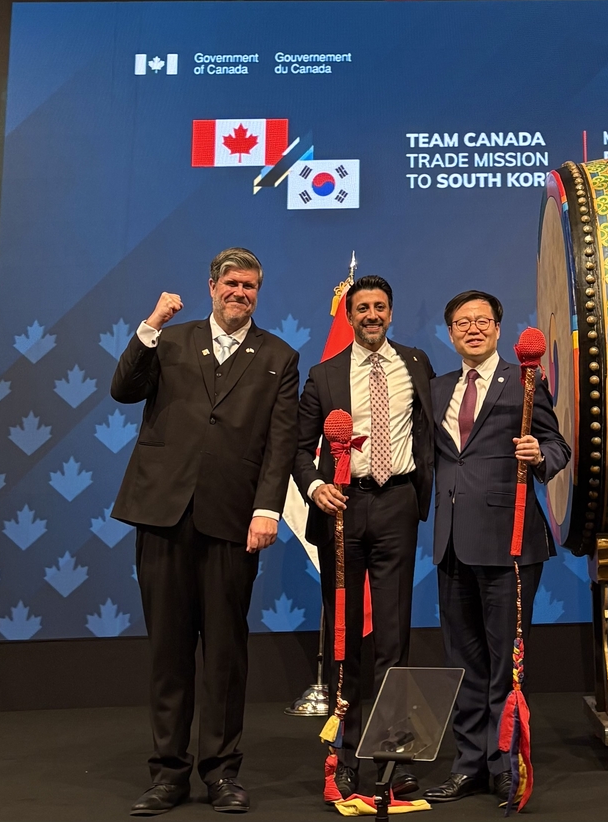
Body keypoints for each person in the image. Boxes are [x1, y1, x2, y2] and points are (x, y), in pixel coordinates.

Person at [110, 247, 299, 816]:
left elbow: (281, 442)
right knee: (169, 652)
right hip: (161, 513)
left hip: (233, 521)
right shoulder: (168, 339)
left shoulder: (279, 356)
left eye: (251, 286)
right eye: (232, 284)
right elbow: (123, 390)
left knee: (223, 653)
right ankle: (168, 774)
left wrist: (268, 509)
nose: (241, 293)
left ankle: (221, 772)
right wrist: (149, 325)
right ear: (212, 286)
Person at [423, 290, 570, 805]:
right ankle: (468, 765)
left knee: (507, 663)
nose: (472, 329)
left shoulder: (526, 384)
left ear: (499, 328)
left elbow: (558, 446)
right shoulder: (436, 388)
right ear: (450, 333)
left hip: (509, 544)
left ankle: (506, 762)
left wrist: (539, 453)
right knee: (463, 662)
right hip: (451, 544)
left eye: (482, 321)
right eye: (461, 322)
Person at [293, 275, 435, 800]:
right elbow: (297, 447)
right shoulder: (325, 372)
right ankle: (346, 754)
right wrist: (314, 486)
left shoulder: (416, 364)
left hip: (397, 502)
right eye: (362, 308)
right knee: (346, 639)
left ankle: (396, 755)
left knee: (394, 638)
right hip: (342, 509)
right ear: (349, 316)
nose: (371, 314)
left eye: (379, 307)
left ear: (391, 313)